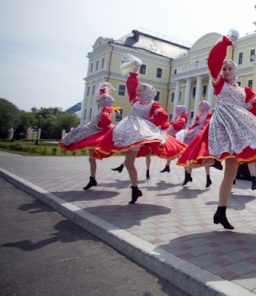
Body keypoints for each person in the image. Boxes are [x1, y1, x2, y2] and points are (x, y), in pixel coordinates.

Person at [177, 29, 256, 230]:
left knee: (230, 173)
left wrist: (248, 107)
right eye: (225, 68)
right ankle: (194, 167)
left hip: (237, 127)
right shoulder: (219, 84)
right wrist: (226, 42)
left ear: (236, 71)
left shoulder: (243, 90)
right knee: (208, 159)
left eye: (230, 68)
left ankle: (221, 211)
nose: (226, 71)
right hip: (222, 126)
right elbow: (213, 60)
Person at [93, 55, 187, 204]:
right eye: (138, 90)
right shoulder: (135, 101)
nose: (137, 92)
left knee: (130, 160)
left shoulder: (153, 104)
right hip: (130, 130)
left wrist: (147, 124)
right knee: (129, 163)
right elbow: (131, 87)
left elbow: (162, 116)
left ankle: (135, 188)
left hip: (139, 133)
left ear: (148, 92)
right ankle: (135, 189)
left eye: (140, 91)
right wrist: (134, 73)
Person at [59, 83, 119, 190]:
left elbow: (106, 120)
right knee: (91, 158)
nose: (99, 101)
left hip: (98, 132)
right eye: (99, 99)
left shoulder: (106, 109)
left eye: (101, 99)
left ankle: (93, 179)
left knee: (91, 155)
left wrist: (98, 125)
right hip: (97, 130)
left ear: (105, 101)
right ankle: (92, 179)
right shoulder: (104, 108)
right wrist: (102, 90)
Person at [179, 100, 220, 187]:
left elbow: (207, 125)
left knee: (203, 156)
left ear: (204, 106)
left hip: (203, 134)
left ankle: (206, 177)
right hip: (196, 133)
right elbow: (194, 125)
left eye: (200, 105)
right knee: (193, 154)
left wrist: (201, 131)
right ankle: (189, 175)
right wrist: (189, 129)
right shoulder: (199, 115)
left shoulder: (209, 115)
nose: (199, 107)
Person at [159, 105, 189, 173]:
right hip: (174, 135)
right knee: (171, 151)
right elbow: (173, 124)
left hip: (180, 136)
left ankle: (187, 171)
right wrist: (165, 125)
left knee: (179, 153)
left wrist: (171, 124)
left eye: (177, 109)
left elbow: (179, 125)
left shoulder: (183, 116)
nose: (176, 111)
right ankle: (167, 166)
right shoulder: (177, 116)